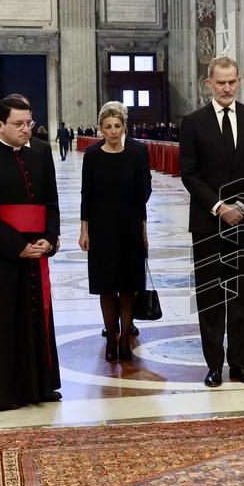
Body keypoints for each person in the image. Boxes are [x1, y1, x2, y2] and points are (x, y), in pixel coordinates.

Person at [179, 56, 244, 387]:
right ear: (209, 84)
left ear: (240, 82)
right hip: (208, 223)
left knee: (241, 295)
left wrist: (242, 206)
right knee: (210, 296)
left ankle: (240, 363)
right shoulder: (192, 122)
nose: (227, 87)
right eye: (221, 82)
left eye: (232, 81)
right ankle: (214, 364)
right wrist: (219, 206)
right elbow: (188, 173)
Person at [0, 93, 61, 411]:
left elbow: (51, 201)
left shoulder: (43, 153)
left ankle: (39, 386)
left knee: (37, 317)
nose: (26, 129)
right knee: (3, 321)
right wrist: (19, 247)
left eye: (29, 123)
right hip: (1, 256)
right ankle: (2, 392)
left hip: (37, 250)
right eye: (18, 124)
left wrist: (49, 237)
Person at [79, 101, 152, 361]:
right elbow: (86, 193)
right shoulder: (92, 154)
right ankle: (111, 337)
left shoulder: (138, 151)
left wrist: (143, 228)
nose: (112, 131)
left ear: (124, 127)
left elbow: (145, 191)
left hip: (130, 225)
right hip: (101, 227)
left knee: (128, 285)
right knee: (106, 285)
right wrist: (83, 229)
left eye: (117, 126)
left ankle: (124, 339)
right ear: (100, 128)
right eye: (107, 127)